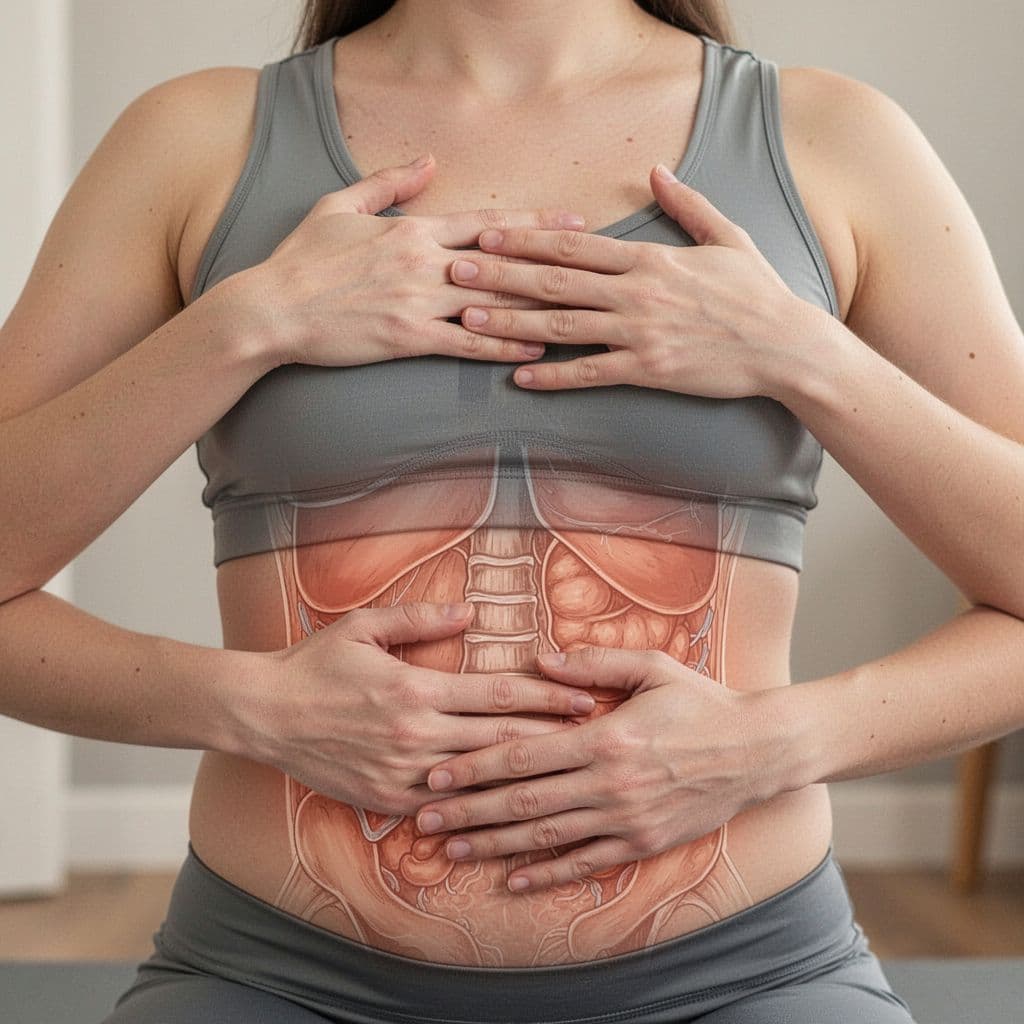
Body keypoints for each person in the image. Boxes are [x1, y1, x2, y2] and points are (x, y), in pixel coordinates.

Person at [2, 0, 1022, 1020]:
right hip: (275, 971)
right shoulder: (193, 141)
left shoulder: (832, 141)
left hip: (745, 972)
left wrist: (805, 359)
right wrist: (248, 324)